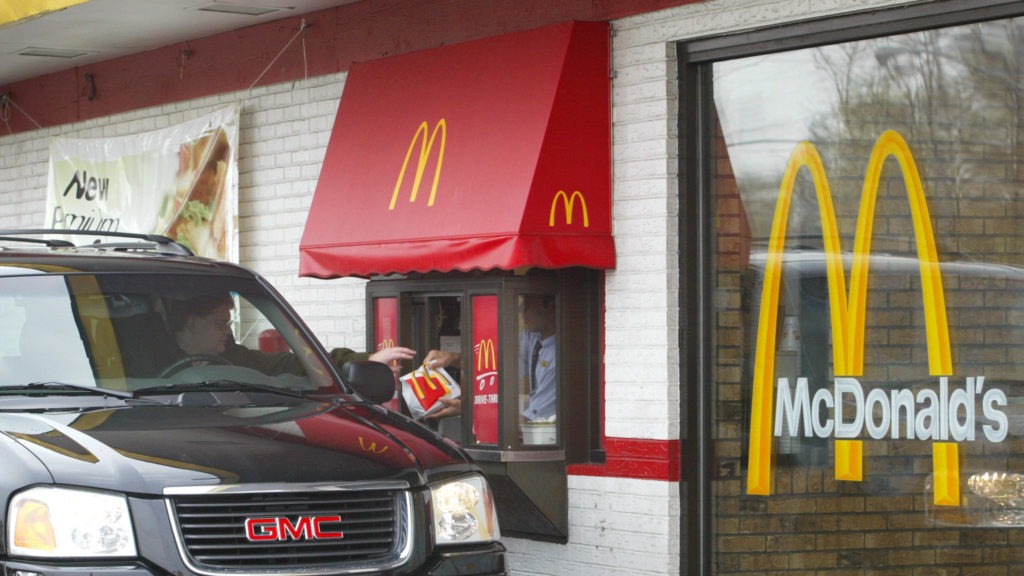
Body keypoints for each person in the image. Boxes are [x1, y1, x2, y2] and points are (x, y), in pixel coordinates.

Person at [164, 293, 415, 377]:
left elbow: (297, 364)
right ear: (192, 322)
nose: (228, 332)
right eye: (221, 324)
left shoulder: (236, 358)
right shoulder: (147, 363)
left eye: (229, 324)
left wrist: (367, 359)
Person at [420, 294, 557, 422]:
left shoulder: (558, 360)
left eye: (528, 304)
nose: (521, 309)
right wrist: (453, 358)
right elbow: (500, 364)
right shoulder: (532, 337)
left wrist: (472, 411)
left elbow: (533, 419)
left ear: (551, 308)